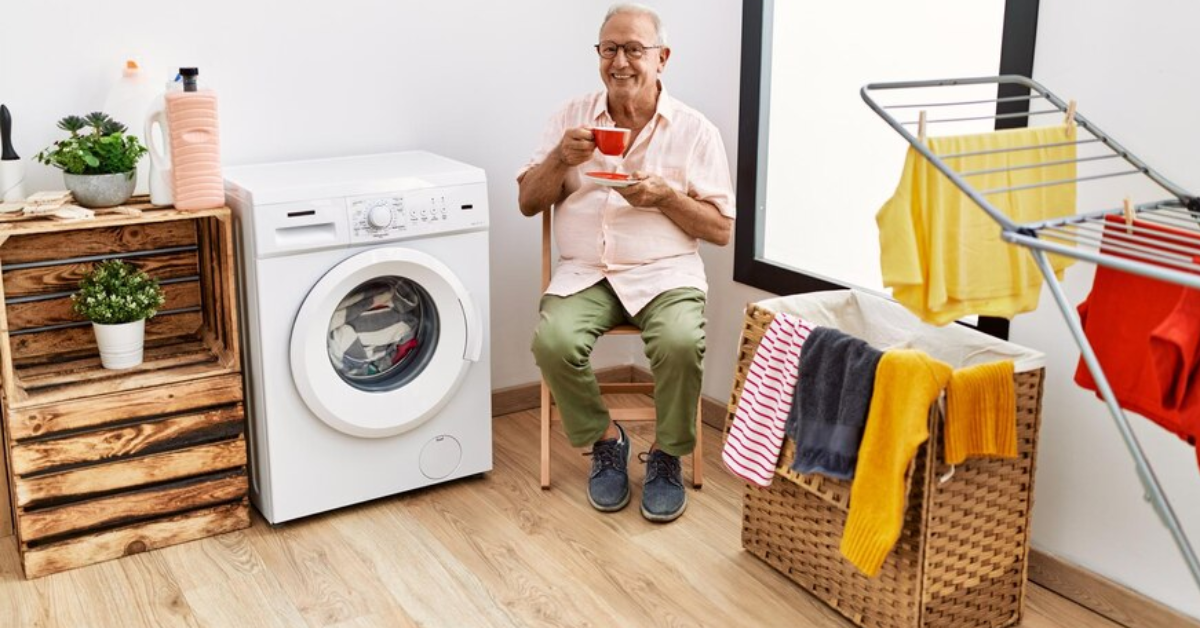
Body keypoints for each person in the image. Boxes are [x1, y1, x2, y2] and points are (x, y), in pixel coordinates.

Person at [517, 3, 735, 522]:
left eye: (634, 49)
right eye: (609, 49)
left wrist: (665, 198)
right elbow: (529, 202)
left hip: (665, 273)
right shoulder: (570, 119)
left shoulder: (695, 130)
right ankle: (605, 440)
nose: (620, 62)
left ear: (662, 57)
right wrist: (559, 162)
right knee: (553, 343)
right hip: (587, 272)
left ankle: (668, 454)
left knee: (680, 343)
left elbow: (722, 230)